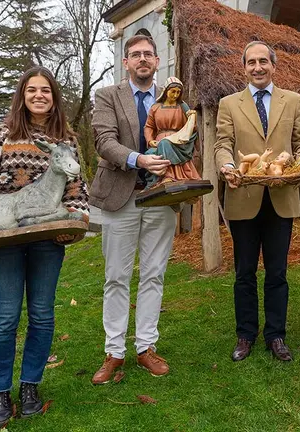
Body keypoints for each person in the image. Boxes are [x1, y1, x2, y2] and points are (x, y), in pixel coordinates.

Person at [0, 66, 89, 430]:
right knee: (6, 316)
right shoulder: (4, 133)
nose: (39, 95)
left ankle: (30, 386)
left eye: (46, 90)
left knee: (42, 314)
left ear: (54, 97)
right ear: (22, 95)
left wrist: (74, 224)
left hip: (46, 241)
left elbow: (77, 191)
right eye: (32, 90)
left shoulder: (66, 141)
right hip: (6, 237)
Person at [215, 41, 300, 362]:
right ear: (243, 68)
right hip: (243, 196)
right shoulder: (229, 104)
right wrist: (226, 166)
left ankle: (276, 335)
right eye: (251, 63)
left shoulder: (294, 100)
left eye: (263, 62)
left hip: (281, 197)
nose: (257, 67)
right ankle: (245, 335)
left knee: (277, 272)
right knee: (244, 272)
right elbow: (223, 144)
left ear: (274, 65)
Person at [90, 34, 176, 383]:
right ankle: (114, 352)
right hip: (120, 196)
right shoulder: (108, 95)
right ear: (125, 62)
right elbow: (104, 140)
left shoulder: (172, 98)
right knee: (116, 277)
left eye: (148, 55)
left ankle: (146, 348)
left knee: (154, 273)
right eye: (135, 54)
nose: (142, 59)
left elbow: (187, 139)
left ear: (157, 62)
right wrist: (138, 158)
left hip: (161, 196)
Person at [144, 76, 201, 186]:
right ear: (166, 91)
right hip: (159, 140)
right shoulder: (155, 108)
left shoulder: (182, 106)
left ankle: (168, 176)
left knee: (165, 143)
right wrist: (150, 141)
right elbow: (149, 127)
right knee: (152, 152)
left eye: (178, 92)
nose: (175, 95)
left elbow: (191, 126)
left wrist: (192, 118)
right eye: (173, 91)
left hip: (178, 140)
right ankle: (158, 181)